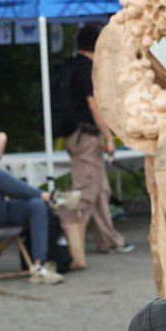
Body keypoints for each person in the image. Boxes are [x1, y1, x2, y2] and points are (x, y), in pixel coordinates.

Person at [61, 25, 130, 254]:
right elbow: (94, 106)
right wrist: (109, 137)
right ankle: (66, 240)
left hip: (78, 136)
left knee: (100, 191)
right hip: (86, 136)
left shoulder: (71, 66)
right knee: (84, 193)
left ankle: (109, 240)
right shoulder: (86, 68)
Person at [0, 138, 65, 285]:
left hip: (3, 208)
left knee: (37, 204)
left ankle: (39, 266)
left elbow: (1, 138)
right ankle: (48, 196)